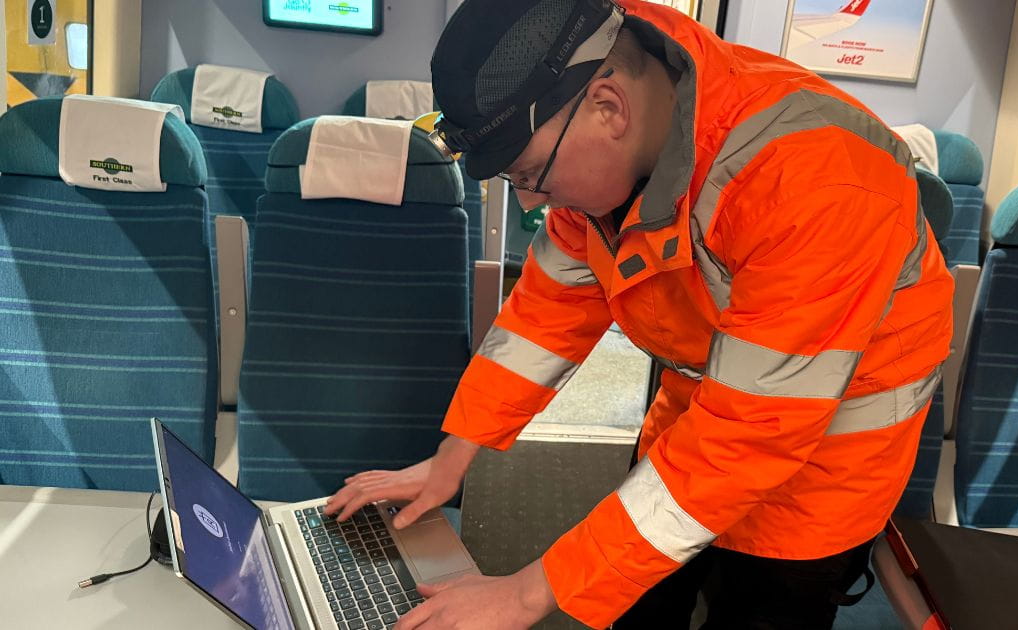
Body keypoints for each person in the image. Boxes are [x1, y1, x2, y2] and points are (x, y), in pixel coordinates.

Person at [324, 1, 954, 628]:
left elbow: (744, 442)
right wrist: (450, 461)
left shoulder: (816, 182)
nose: (529, 198)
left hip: (828, 459)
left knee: (758, 607)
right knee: (641, 589)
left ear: (609, 107)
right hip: (705, 402)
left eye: (530, 175)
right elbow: (544, 314)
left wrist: (520, 597)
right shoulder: (594, 149)